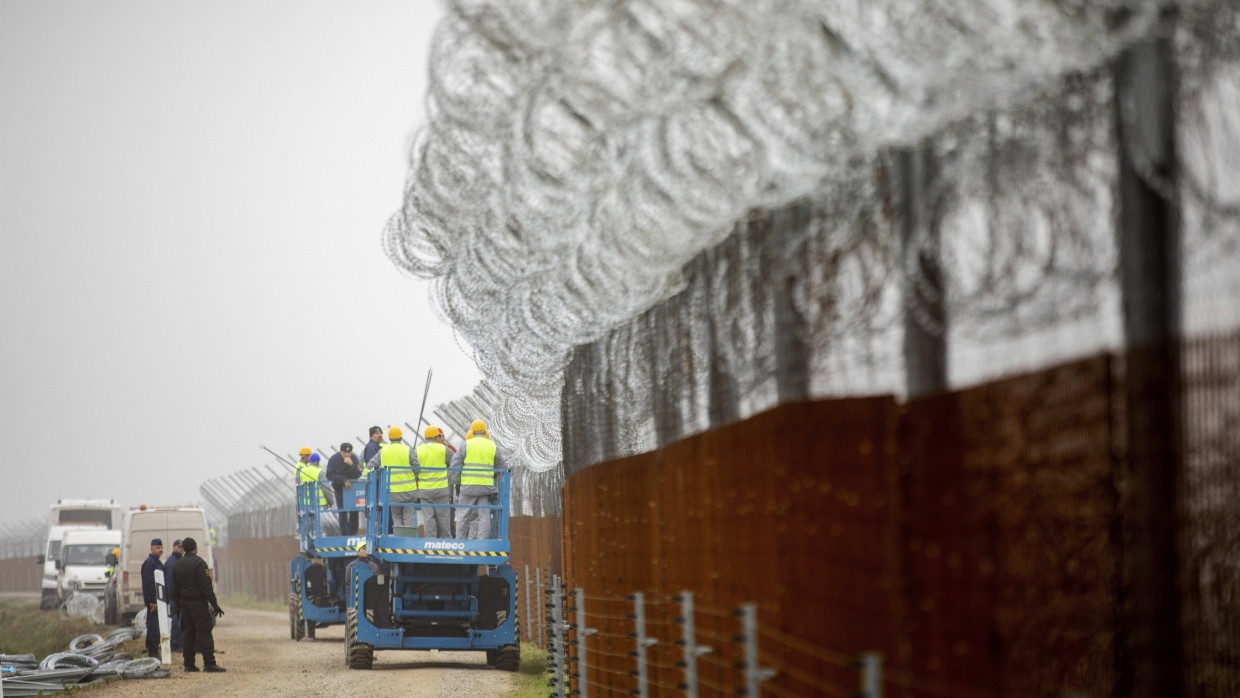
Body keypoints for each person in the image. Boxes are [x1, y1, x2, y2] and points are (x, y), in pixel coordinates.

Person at [171, 537, 225, 673]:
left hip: (184, 605)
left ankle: (189, 664)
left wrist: (178, 605)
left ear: (184, 549)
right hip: (198, 605)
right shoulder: (200, 564)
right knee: (205, 632)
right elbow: (206, 587)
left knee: (188, 634)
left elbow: (174, 589)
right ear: (195, 548)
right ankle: (209, 663)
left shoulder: (177, 565)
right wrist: (215, 604)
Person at [451, 420, 508, 540]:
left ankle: (459, 542)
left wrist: (457, 482)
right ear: (485, 431)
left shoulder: (466, 444)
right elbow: (502, 466)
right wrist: (494, 476)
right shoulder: (492, 445)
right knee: (484, 516)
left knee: (463, 516)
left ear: (472, 431)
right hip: (485, 488)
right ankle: (482, 543)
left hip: (468, 487)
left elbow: (455, 464)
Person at [367, 426, 418, 532]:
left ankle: (398, 540)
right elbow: (417, 467)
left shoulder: (383, 451)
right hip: (409, 490)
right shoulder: (408, 450)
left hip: (391, 491)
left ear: (389, 438)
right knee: (408, 517)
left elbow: (370, 466)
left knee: (397, 517)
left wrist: (379, 475)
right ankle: (408, 540)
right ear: (401, 437)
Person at [415, 425, 453, 538]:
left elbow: (414, 468)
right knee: (444, 518)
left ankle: (431, 542)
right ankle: (446, 542)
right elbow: (455, 462)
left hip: (424, 490)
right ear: (437, 437)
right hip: (441, 489)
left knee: (428, 518)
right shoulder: (444, 449)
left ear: (425, 437)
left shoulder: (418, 450)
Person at [325, 442, 363, 535]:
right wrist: (343, 480)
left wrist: (352, 465)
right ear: (341, 451)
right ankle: (345, 534)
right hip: (339, 489)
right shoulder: (334, 459)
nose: (347, 455)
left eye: (348, 453)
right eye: (344, 453)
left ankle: (353, 533)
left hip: (352, 489)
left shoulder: (354, 458)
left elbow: (358, 474)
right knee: (342, 511)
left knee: (354, 511)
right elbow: (329, 474)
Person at [140, 539, 164, 658]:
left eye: (161, 547)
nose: (160, 549)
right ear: (151, 548)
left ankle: (155, 648)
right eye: (158, 547)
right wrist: (153, 601)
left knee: (157, 626)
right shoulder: (150, 563)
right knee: (153, 626)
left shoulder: (156, 562)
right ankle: (152, 651)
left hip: (158, 600)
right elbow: (149, 584)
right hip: (154, 602)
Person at [165, 540, 185, 651]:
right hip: (175, 597)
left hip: (178, 596)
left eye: (182, 547)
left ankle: (179, 643)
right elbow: (170, 582)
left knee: (180, 620)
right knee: (177, 621)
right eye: (179, 547)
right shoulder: (172, 562)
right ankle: (175, 644)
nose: (181, 549)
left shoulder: (178, 560)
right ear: (174, 547)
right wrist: (174, 596)